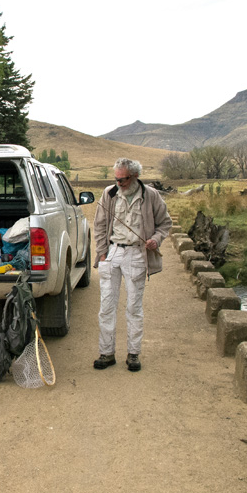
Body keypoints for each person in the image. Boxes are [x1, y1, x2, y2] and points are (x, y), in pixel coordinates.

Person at [92, 158, 172, 372]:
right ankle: (106, 353)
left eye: (123, 179)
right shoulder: (109, 193)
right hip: (112, 252)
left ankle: (133, 354)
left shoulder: (152, 196)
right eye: (116, 179)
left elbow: (165, 223)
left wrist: (156, 239)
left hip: (137, 253)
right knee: (106, 306)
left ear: (135, 176)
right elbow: (99, 224)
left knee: (134, 307)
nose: (119, 183)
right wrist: (101, 252)